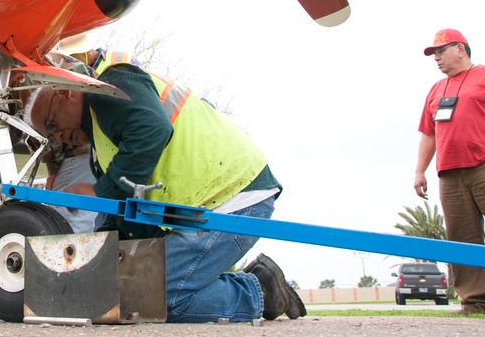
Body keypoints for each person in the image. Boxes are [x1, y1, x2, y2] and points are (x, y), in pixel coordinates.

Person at [25, 60, 306, 323]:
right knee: (130, 291)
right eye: (51, 137)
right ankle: (258, 284)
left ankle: (262, 292)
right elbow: (121, 210)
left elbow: (152, 128)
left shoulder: (108, 87)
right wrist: (98, 256)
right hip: (208, 206)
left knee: (154, 298)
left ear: (65, 92)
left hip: (235, 198)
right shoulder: (101, 143)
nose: (58, 137)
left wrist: (102, 191)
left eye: (51, 124)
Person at [414, 28, 485, 314]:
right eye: (433, 54)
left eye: (441, 51)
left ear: (460, 49)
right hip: (450, 172)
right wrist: (420, 171)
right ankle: (475, 302)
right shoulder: (437, 90)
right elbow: (428, 133)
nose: (436, 58)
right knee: (462, 239)